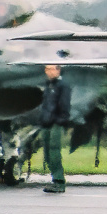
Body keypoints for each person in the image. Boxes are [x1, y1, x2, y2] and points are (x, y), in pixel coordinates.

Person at [39, 65, 71, 194]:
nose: (50, 72)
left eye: (53, 69)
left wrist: (60, 120)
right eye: (47, 69)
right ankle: (54, 178)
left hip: (56, 123)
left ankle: (59, 181)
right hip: (46, 123)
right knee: (47, 153)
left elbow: (65, 105)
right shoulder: (49, 86)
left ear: (59, 70)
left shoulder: (63, 86)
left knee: (54, 151)